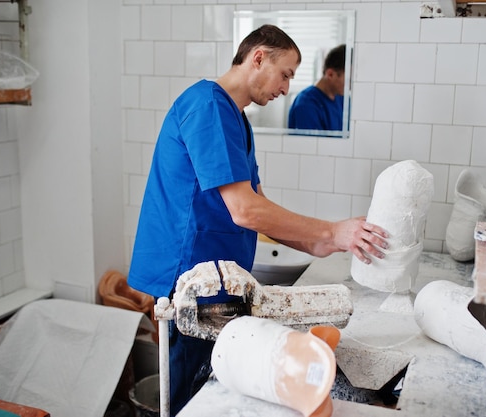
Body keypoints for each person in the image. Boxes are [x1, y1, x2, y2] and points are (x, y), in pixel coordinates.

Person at [128, 25, 388, 417]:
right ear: (259, 57)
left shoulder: (237, 120)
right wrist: (331, 232)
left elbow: (260, 209)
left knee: (209, 394)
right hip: (188, 284)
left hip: (216, 284)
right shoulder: (207, 106)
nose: (286, 89)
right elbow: (244, 211)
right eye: (285, 74)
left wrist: (330, 241)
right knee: (189, 402)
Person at [288, 44, 346, 131]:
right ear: (330, 74)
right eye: (348, 79)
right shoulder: (306, 104)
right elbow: (310, 144)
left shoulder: (342, 99)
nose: (351, 85)